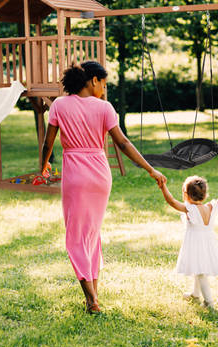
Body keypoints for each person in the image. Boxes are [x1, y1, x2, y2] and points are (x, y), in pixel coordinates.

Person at [40, 61, 167, 314]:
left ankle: (91, 300)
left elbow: (48, 143)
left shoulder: (59, 105)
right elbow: (122, 143)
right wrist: (150, 168)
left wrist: (43, 167)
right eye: (104, 84)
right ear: (93, 81)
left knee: (76, 237)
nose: (104, 90)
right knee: (91, 235)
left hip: (75, 174)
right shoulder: (105, 108)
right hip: (100, 174)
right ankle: (94, 295)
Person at [159, 175, 218, 309]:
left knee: (200, 272)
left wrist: (163, 187)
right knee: (198, 267)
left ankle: (209, 302)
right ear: (205, 195)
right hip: (208, 243)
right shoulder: (211, 207)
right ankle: (195, 293)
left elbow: (171, 201)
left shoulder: (189, 209)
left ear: (186, 194)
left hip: (196, 244)